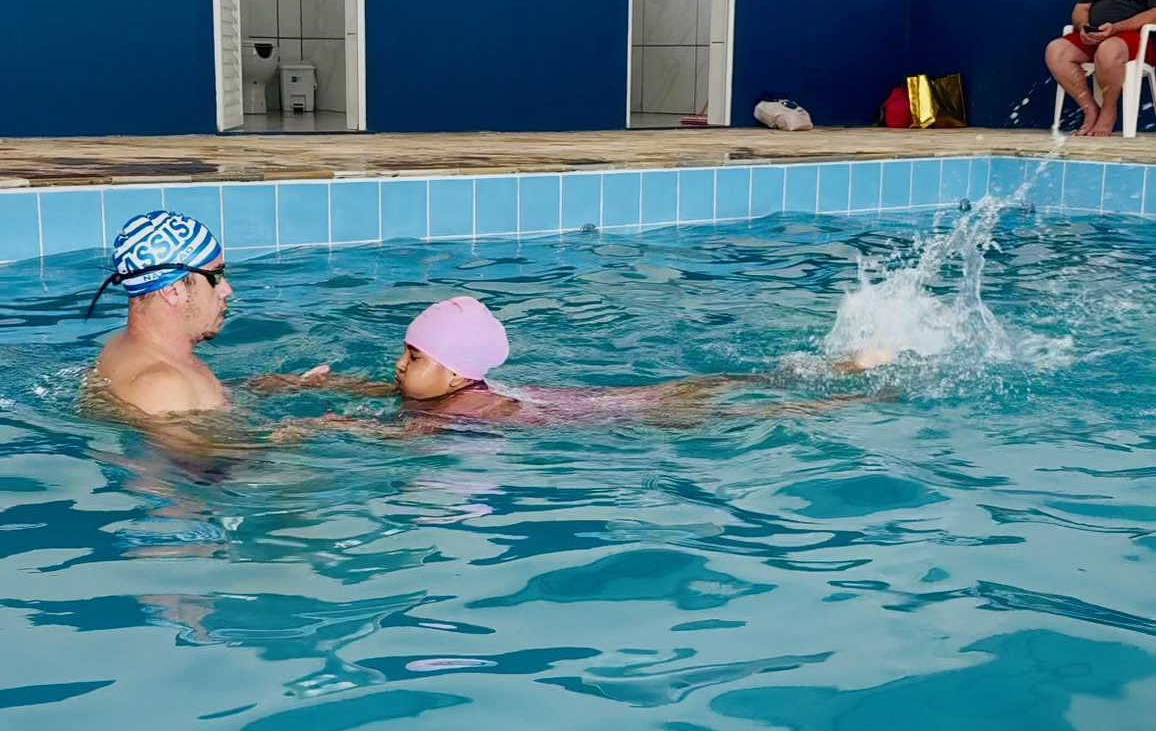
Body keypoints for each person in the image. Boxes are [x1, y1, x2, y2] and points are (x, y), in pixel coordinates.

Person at [257, 296, 894, 438]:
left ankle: (844, 398)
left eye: (412, 356)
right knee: (724, 386)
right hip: (598, 397)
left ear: (455, 375)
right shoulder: (444, 388)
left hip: (612, 415)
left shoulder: (449, 416)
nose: (396, 366)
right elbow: (379, 392)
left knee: (728, 410)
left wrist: (328, 426)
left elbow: (393, 434)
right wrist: (302, 386)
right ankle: (840, 368)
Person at [87, 210, 233, 416]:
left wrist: (249, 387)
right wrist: (288, 438)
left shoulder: (124, 348)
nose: (226, 290)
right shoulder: (162, 387)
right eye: (215, 277)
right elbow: (192, 447)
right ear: (172, 291)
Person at [1045, 0, 1156, 136]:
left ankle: (1108, 110)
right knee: (1056, 51)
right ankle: (1090, 109)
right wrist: (1083, 28)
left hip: (1134, 38)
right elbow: (1081, 8)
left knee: (1108, 50)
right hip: (1096, 34)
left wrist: (1116, 28)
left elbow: (1154, 14)